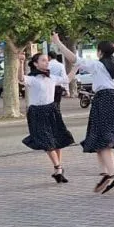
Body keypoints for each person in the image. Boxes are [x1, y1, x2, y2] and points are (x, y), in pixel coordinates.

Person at [51, 34, 114, 194]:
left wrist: (58, 42)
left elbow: (73, 58)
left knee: (104, 138)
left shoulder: (97, 65)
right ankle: (106, 172)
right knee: (102, 137)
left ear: (100, 52)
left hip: (104, 99)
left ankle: (112, 174)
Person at [18, 52, 75, 183]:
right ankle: (58, 167)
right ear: (35, 63)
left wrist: (76, 68)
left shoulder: (52, 77)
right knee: (46, 141)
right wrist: (20, 63)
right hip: (37, 112)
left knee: (57, 140)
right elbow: (20, 78)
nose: (46, 62)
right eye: (43, 60)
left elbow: (66, 79)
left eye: (47, 60)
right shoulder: (32, 79)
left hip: (52, 110)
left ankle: (58, 171)